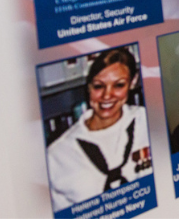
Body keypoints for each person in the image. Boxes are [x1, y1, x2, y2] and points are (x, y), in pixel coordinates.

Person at [46, 48, 152, 212]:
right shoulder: (57, 155)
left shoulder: (149, 121)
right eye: (98, 86)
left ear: (133, 82)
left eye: (119, 85)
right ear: (88, 87)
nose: (107, 96)